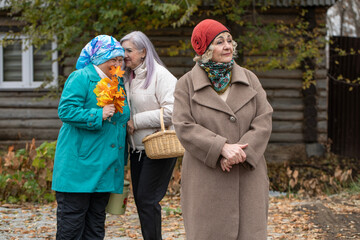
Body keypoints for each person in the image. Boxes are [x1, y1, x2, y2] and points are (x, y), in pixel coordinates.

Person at [172, 19, 273, 240]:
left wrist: (240, 153)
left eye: (229, 40)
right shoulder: (186, 84)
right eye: (219, 42)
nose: (228, 46)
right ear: (205, 50)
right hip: (207, 177)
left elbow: (264, 119)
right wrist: (221, 148)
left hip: (248, 173)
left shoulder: (250, 78)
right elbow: (183, 125)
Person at [52, 35, 130, 239]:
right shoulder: (81, 77)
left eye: (120, 59)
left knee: (95, 226)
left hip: (104, 165)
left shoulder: (116, 81)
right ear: (98, 58)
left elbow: (121, 116)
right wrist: (97, 114)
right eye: (112, 59)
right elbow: (66, 111)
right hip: (79, 168)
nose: (117, 63)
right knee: (71, 226)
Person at [120, 31, 177, 240]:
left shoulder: (161, 76)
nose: (125, 55)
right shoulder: (128, 77)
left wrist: (137, 121)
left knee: (146, 200)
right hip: (137, 150)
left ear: (143, 52)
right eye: (123, 50)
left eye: (129, 50)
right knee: (142, 201)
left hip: (158, 148)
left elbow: (173, 111)